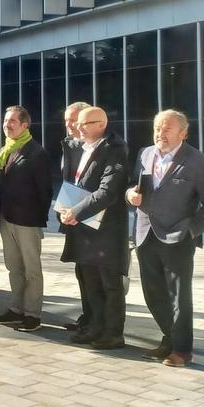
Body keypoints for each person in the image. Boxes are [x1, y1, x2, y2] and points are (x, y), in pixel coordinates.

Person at [124, 109, 204, 367]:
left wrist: (190, 231)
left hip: (178, 237)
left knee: (179, 297)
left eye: (167, 129)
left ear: (183, 133)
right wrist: (130, 194)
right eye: (157, 128)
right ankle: (169, 338)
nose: (160, 134)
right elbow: (133, 185)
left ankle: (183, 350)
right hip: (145, 233)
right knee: (153, 293)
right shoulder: (145, 154)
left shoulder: (199, 162)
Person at [58, 106, 130, 350]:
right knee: (90, 282)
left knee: (109, 284)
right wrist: (65, 210)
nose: (78, 128)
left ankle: (113, 333)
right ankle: (95, 327)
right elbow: (75, 182)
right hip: (84, 227)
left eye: (84, 124)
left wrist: (75, 212)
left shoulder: (114, 149)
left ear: (101, 124)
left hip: (106, 230)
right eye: (78, 123)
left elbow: (107, 191)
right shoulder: (81, 147)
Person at [0, 106, 52, 332]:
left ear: (25, 125)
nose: (7, 125)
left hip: (27, 221)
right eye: (5, 120)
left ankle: (33, 314)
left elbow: (45, 192)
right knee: (13, 267)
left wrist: (37, 217)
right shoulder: (6, 149)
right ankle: (16, 309)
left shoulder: (37, 153)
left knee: (31, 269)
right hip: (7, 218)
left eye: (12, 121)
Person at [59, 101, 92, 331]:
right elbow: (69, 181)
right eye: (66, 121)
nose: (69, 125)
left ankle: (97, 320)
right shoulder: (70, 145)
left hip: (92, 218)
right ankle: (87, 316)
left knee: (94, 273)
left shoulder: (100, 147)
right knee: (81, 271)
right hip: (72, 216)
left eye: (73, 120)